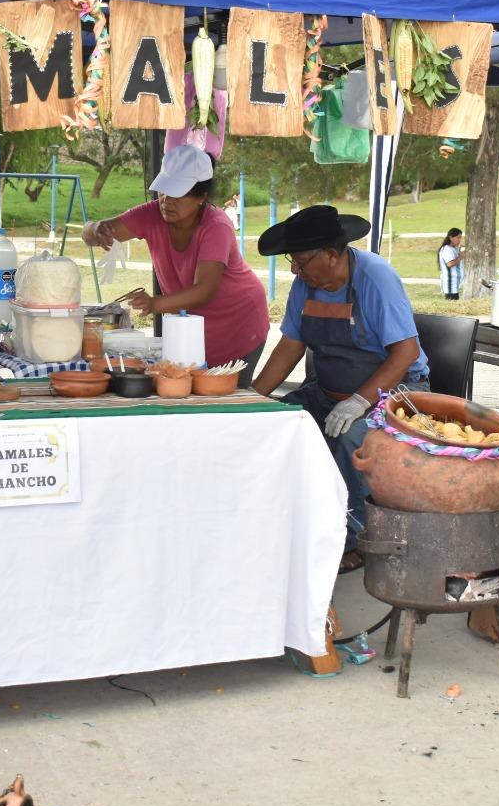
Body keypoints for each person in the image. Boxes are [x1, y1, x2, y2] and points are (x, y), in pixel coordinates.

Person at [251, 206, 430, 573]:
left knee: (352, 440)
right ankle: (286, 526)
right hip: (326, 390)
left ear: (331, 255)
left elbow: (406, 352)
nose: (294, 271)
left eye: (300, 262)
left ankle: (351, 541)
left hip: (396, 393)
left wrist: (359, 401)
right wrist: (251, 399)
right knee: (282, 425)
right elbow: (290, 346)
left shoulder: (376, 278)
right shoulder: (306, 286)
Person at [82, 146, 270, 383]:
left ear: (202, 197)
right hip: (190, 330)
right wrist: (97, 230)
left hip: (238, 326)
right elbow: (90, 232)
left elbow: (205, 290)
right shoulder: (151, 214)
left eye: (178, 194)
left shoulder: (216, 226)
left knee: (223, 405)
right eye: (163, 191)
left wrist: (154, 303)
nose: (166, 201)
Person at [438, 227, 465, 300]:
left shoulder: (452, 248)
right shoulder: (447, 249)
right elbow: (450, 263)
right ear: (451, 238)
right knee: (452, 301)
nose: (460, 240)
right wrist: (461, 256)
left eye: (460, 238)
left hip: (454, 284)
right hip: (450, 284)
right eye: (458, 238)